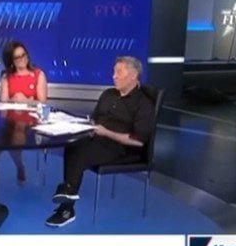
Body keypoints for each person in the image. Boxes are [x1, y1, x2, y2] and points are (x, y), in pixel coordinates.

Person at [46, 56, 155, 227]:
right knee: (72, 143)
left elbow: (139, 142)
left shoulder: (143, 104)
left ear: (133, 75)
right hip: (97, 138)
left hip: (121, 148)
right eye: (114, 72)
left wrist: (106, 132)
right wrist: (84, 126)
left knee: (81, 152)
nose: (114, 76)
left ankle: (66, 206)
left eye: (119, 72)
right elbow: (95, 119)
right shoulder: (108, 94)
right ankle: (68, 192)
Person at [0, 41, 48, 183]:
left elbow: (42, 102)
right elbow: (3, 101)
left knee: (17, 132)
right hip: (11, 118)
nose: (22, 59)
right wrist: (17, 100)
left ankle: (10, 162)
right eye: (18, 57)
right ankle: (16, 165)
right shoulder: (6, 76)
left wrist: (25, 100)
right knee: (13, 130)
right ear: (11, 61)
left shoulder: (38, 74)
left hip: (32, 120)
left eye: (24, 55)